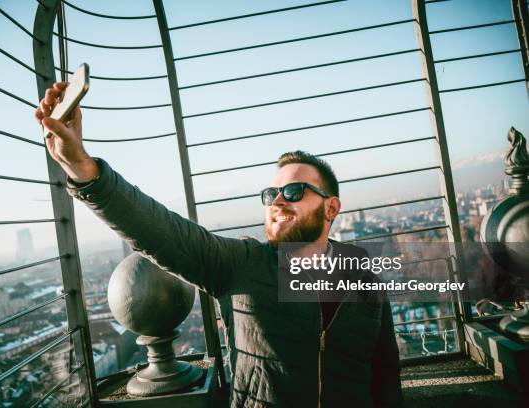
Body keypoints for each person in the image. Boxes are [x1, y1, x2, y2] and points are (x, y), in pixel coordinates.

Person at [35, 82, 403, 407]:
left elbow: (385, 374)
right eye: (272, 193)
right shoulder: (240, 264)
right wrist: (83, 169)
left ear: (332, 207)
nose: (277, 201)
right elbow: (161, 232)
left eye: (293, 191)